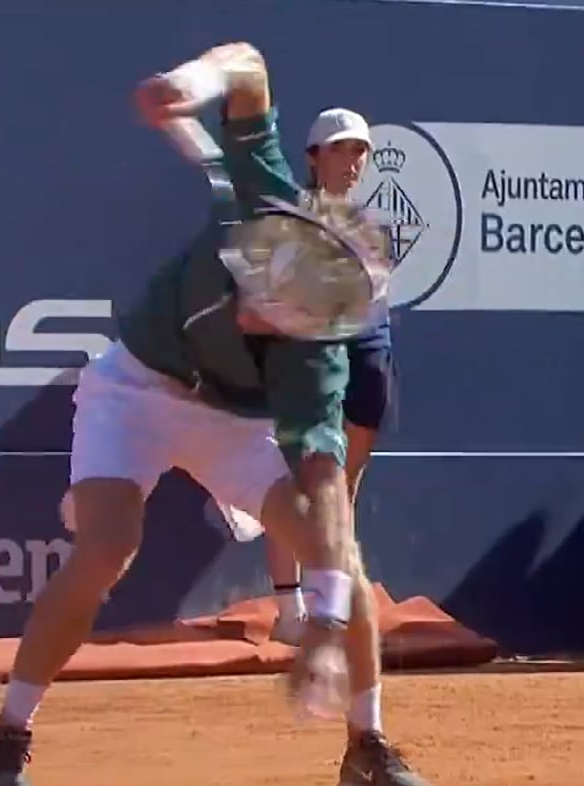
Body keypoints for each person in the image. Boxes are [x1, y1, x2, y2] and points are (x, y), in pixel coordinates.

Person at [0, 41, 432, 786]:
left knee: (339, 554)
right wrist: (187, 87)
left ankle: (367, 749)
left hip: (238, 421)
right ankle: (9, 734)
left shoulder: (316, 359)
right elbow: (248, 65)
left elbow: (325, 491)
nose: (270, 310)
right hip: (138, 390)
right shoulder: (264, 192)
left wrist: (322, 622)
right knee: (107, 548)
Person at [267, 107, 396, 647]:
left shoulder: (371, 226)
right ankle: (288, 607)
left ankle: (334, 600)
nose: (351, 161)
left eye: (359, 151)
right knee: (298, 481)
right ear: (313, 157)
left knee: (345, 486)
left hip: (369, 351)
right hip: (311, 358)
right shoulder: (288, 219)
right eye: (340, 149)